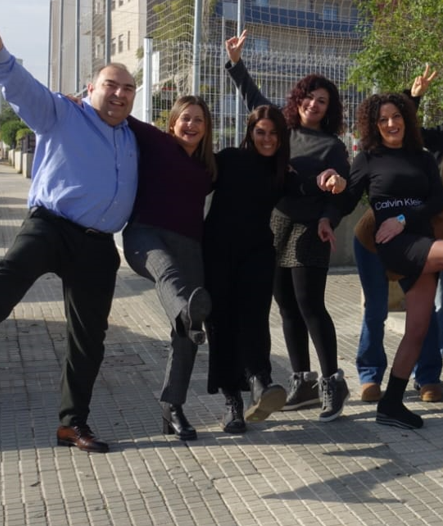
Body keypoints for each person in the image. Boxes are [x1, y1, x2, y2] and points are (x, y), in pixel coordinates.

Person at [0, 14, 138, 453]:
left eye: (128, 89)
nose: (120, 94)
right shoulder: (61, 112)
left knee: (88, 339)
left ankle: (73, 425)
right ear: (90, 88)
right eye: (111, 85)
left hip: (98, 245)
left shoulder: (134, 136)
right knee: (14, 266)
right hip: (51, 224)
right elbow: (22, 89)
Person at [340, 93, 443, 429]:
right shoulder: (368, 158)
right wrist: (330, 198)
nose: (391, 123)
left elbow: (435, 202)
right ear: (374, 125)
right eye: (383, 119)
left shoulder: (422, 157)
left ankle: (391, 404)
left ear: (406, 119)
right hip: (389, 243)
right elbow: (347, 201)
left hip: (418, 240)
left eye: (396, 116)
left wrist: (403, 218)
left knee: (419, 328)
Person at [224, 30, 352, 422]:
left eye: (322, 101)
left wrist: (329, 214)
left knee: (310, 304)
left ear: (329, 109)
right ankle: (303, 381)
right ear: (299, 98)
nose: (314, 104)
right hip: (275, 222)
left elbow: (340, 191)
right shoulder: (281, 129)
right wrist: (236, 63)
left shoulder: (333, 146)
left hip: (311, 227)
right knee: (285, 305)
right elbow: (254, 100)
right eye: (310, 97)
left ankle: (333, 381)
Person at [121, 96, 216, 441]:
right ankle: (187, 311)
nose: (191, 125)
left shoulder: (209, 168)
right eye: (185, 118)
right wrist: (81, 101)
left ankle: (172, 406)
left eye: (198, 120)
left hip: (189, 245)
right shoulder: (157, 142)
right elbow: (119, 113)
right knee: (170, 277)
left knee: (186, 336)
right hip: (145, 236)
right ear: (173, 122)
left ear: (206, 129)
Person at [203, 105, 298, 433]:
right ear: (250, 132)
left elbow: (308, 195)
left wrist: (330, 181)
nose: (267, 139)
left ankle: (260, 381)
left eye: (273, 133)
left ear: (281, 137)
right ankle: (233, 403)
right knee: (222, 324)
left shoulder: (283, 172)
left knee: (254, 319)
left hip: (257, 255)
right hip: (217, 254)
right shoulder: (229, 159)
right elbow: (196, 179)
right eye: (261, 132)